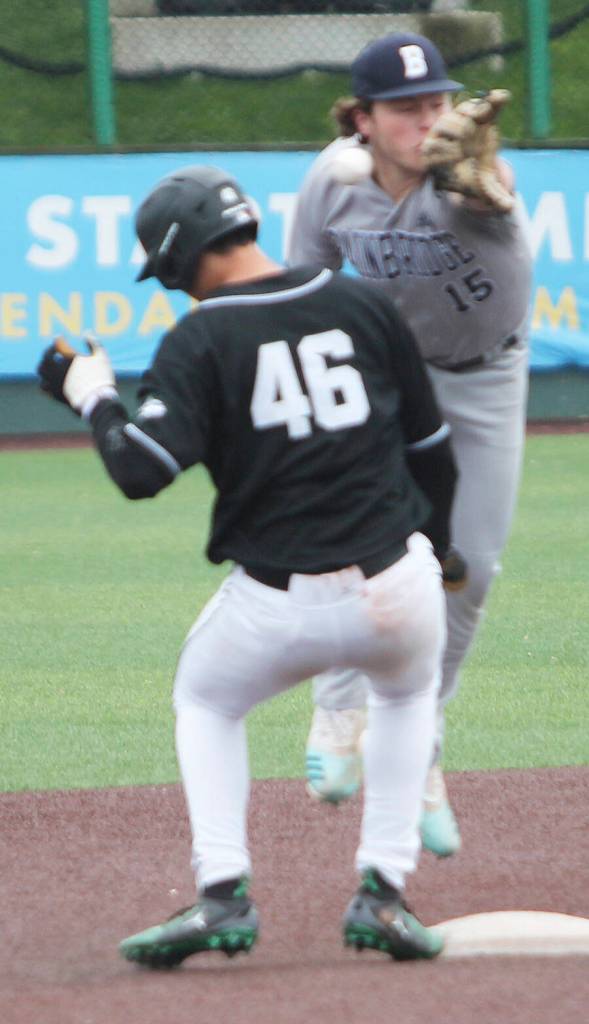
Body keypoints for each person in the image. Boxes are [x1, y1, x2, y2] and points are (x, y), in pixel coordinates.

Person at [37, 163, 463, 966]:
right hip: (397, 583)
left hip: (277, 605)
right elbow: (434, 455)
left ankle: (222, 893)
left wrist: (93, 395)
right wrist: (439, 553)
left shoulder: (200, 337)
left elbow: (141, 471)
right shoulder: (362, 300)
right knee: (406, 694)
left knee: (203, 701)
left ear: (177, 256)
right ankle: (384, 893)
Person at [287, 31, 532, 856]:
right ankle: (339, 701)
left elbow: (490, 190)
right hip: (385, 378)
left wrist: (480, 183)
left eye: (434, 101)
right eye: (403, 108)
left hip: (483, 376)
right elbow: (303, 287)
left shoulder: (469, 176)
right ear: (361, 117)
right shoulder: (331, 179)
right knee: (360, 543)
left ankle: (421, 739)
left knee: (469, 568)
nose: (424, 118)